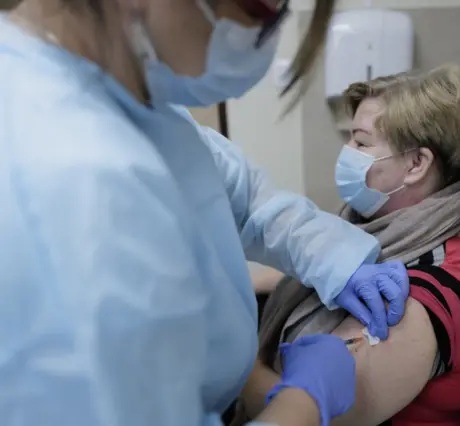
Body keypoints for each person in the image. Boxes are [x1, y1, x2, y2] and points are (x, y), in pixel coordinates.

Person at [0, 1, 413, 425]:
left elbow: (242, 194)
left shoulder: (132, 98)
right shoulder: (74, 183)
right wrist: (306, 402)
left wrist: (338, 259)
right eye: (259, 8)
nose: (264, 40)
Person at [236, 65, 460, 426]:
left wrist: (232, 355)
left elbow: (301, 414)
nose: (347, 152)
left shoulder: (416, 297)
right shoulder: (380, 227)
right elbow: (310, 269)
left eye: (360, 142)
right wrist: (232, 286)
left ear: (417, 164)